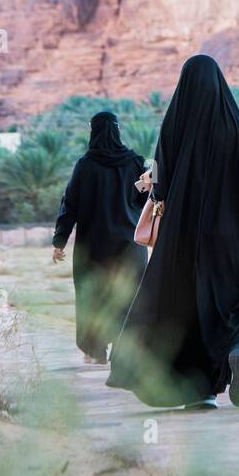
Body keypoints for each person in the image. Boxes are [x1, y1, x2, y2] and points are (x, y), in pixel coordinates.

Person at [106, 55, 239, 410]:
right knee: (231, 300)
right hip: (232, 239)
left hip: (186, 238)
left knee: (189, 307)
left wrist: (155, 191)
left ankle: (200, 390)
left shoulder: (174, 124)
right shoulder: (232, 126)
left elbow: (160, 182)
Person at [52, 112, 149, 364]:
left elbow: (69, 205)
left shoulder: (85, 165)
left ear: (93, 131)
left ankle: (95, 352)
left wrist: (59, 241)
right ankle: (126, 349)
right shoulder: (136, 162)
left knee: (93, 297)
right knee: (129, 297)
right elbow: (147, 199)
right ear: (117, 130)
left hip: (94, 247)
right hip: (131, 245)